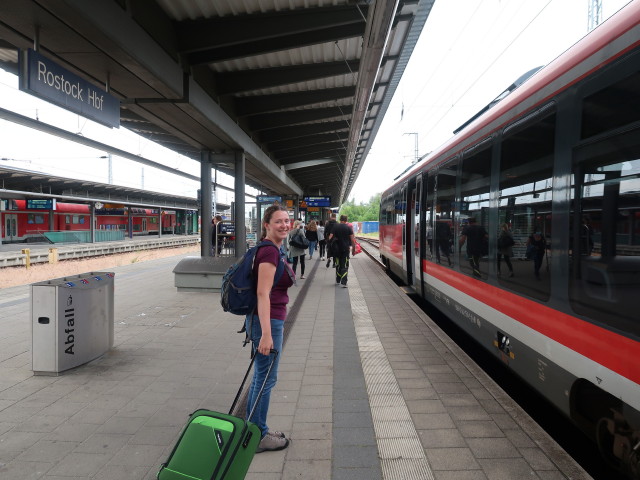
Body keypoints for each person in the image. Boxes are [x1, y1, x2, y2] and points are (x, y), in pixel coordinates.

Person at [245, 204, 294, 453]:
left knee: (261, 379)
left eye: (287, 220)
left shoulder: (272, 249)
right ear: (266, 225)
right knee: (265, 380)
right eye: (278, 221)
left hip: (267, 320)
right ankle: (258, 436)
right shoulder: (269, 253)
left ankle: (256, 428)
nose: (284, 225)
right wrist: (266, 334)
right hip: (268, 322)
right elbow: (262, 293)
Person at [328, 214, 356, 287]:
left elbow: (330, 237)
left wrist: (330, 245)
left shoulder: (335, 226)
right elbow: (352, 240)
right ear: (346, 220)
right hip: (345, 249)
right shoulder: (348, 228)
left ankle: (338, 279)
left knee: (338, 264)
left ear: (340, 219)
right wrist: (353, 249)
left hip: (336, 249)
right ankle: (344, 282)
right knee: (344, 265)